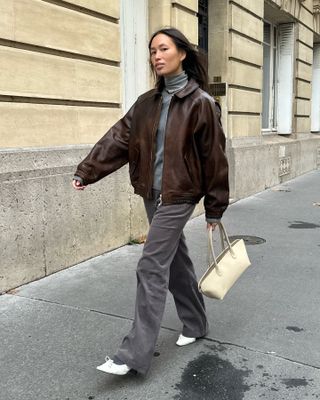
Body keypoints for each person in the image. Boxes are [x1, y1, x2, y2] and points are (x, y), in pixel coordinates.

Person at [72, 27, 229, 376]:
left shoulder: (202, 103)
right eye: (152, 51)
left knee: (150, 266)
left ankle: (132, 355)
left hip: (181, 195)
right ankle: (196, 323)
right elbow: (118, 139)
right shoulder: (146, 103)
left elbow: (215, 159)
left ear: (182, 54)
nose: (157, 56)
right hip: (151, 193)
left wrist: (215, 208)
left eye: (164, 49)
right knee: (175, 263)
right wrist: (87, 170)